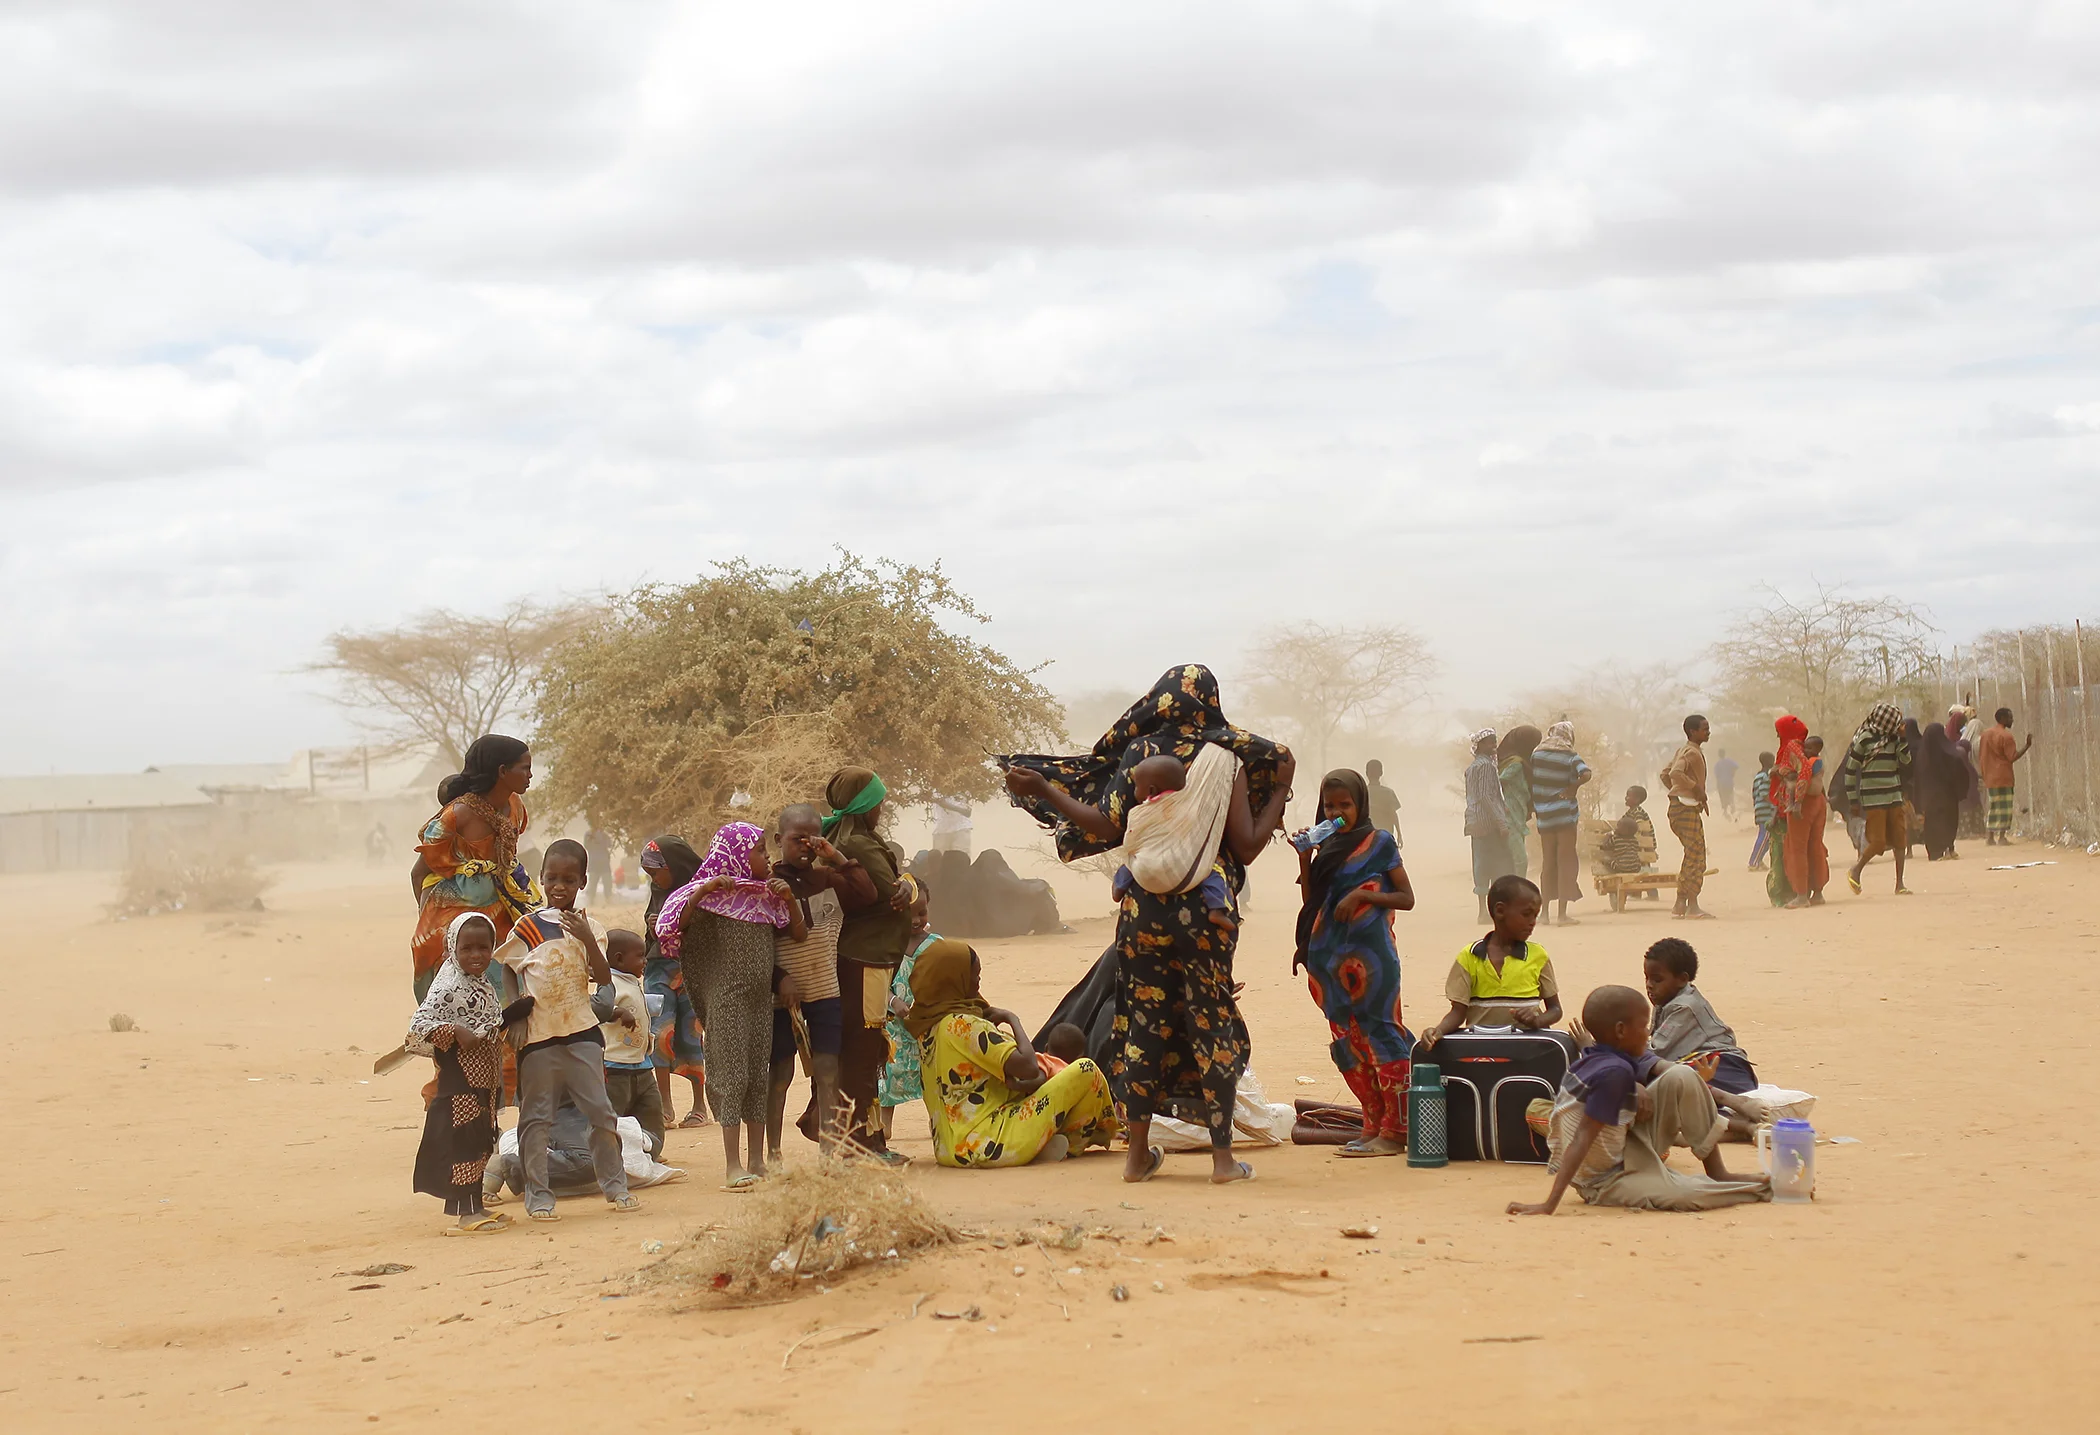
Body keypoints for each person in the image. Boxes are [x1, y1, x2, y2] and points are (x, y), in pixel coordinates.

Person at [1002, 663, 1293, 1186]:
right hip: (1208, 915)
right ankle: (1223, 1161)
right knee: (1212, 1024)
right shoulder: (1226, 761)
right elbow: (1247, 845)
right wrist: (1281, 790)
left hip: (1143, 912)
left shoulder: (1139, 755)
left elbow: (1105, 825)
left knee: (1140, 1026)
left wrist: (1047, 790)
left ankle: (1136, 1156)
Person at [1508, 984, 1770, 1214]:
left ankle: (1718, 1173)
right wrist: (1549, 1204)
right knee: (1685, 1194)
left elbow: (1663, 1072)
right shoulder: (1613, 1073)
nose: (1648, 1034)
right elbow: (1581, 1139)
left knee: (1683, 1075)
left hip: (1628, 1146)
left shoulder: (1606, 1056)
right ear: (1621, 1031)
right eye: (1644, 1026)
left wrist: (1634, 1086)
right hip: (1603, 1180)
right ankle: (1762, 1190)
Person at [493, 840, 639, 1220]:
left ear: (582, 882)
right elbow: (508, 968)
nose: (559, 886)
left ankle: (616, 1187)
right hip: (539, 1040)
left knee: (601, 1114)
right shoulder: (528, 926)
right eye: (552, 878)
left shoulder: (592, 927)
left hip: (582, 1035)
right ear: (541, 879)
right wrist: (517, 1014)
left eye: (569, 880)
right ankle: (539, 1198)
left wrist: (586, 937)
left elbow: (603, 978)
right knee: (535, 1120)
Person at [657, 821, 802, 1189]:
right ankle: (732, 1165)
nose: (766, 858)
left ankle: (756, 1159)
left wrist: (788, 900)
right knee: (730, 1076)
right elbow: (673, 927)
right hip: (727, 1003)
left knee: (757, 1076)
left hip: (759, 1003)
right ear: (736, 855)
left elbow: (794, 929)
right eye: (758, 852)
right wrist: (702, 890)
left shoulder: (763, 898)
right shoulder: (707, 897)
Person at [905, 940, 1117, 1167]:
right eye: (973, 975)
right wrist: (1012, 1019)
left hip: (950, 1150)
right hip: (989, 1143)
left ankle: (1047, 1144)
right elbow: (1028, 1067)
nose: (978, 981)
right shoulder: (963, 1026)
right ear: (953, 979)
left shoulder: (928, 1031)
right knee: (1085, 1069)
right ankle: (1074, 1143)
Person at [1293, 768, 1416, 1158]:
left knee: (1381, 1035)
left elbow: (1406, 897)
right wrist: (1305, 860)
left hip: (1373, 957)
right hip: (1330, 960)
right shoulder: (1326, 846)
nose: (1337, 812)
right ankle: (1372, 1123)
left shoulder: (1378, 842)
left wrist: (1362, 897)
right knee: (1347, 1042)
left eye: (1345, 804)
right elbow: (1312, 903)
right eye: (1330, 805)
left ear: (1360, 803)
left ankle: (1396, 1132)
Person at [820, 768, 915, 1165]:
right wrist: (906, 886)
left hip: (865, 960)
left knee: (862, 1051)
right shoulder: (858, 842)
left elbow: (899, 882)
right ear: (866, 805)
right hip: (866, 963)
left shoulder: (843, 838)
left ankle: (867, 1141)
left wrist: (907, 881)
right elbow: (891, 890)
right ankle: (862, 1145)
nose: (882, 807)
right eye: (879, 801)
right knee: (862, 1052)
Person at [769, 803, 875, 1154]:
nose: (805, 847)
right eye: (797, 839)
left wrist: (837, 856)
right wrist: (778, 978)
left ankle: (829, 1152)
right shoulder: (767, 886)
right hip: (782, 998)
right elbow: (757, 947)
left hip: (826, 990)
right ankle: (772, 1152)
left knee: (828, 1070)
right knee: (780, 1075)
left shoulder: (829, 880)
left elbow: (867, 894)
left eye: (812, 839)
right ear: (778, 840)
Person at [408, 735, 542, 1004]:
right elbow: (418, 872)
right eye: (524, 768)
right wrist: (430, 924)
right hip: (458, 915)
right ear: (502, 771)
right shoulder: (458, 814)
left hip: (506, 905)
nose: (530, 775)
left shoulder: (516, 806)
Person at [407, 913, 509, 1234]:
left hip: (485, 1080)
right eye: (467, 948)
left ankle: (476, 1205)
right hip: (461, 1081)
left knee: (482, 1142)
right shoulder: (449, 986)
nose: (476, 955)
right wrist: (455, 1030)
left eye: (484, 947)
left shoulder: (480, 983)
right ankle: (466, 1213)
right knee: (465, 1143)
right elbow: (419, 1026)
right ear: (453, 948)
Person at [1420, 874, 1561, 1045]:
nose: (1533, 922)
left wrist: (1537, 1021)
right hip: (1481, 1048)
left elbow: (1555, 1009)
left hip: (1527, 1047)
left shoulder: (1538, 955)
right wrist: (1437, 1031)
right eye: (1527, 914)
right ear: (1500, 911)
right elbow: (1458, 1012)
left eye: (1535, 915)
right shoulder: (1469, 956)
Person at [638, 837, 709, 1128]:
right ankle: (664, 1105)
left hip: (691, 967)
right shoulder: (658, 890)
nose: (653, 879)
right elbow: (651, 931)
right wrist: (655, 926)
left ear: (674, 866)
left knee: (691, 1035)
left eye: (656, 872)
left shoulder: (701, 889)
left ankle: (699, 1106)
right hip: (658, 969)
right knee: (660, 1032)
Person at [879, 875, 939, 1133]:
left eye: (922, 913)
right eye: (909, 913)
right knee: (889, 1075)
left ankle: (937, 1122)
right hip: (894, 1026)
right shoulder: (887, 945)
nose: (916, 920)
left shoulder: (936, 946)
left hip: (926, 1024)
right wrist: (893, 1001)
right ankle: (884, 1125)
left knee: (931, 1074)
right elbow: (876, 985)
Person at [597, 929, 665, 1159]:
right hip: (615, 1066)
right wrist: (616, 1012)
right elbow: (594, 1009)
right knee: (612, 1116)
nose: (645, 961)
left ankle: (649, 1153)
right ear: (618, 959)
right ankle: (612, 1159)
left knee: (651, 1112)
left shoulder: (633, 980)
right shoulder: (608, 983)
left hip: (642, 1065)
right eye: (640, 956)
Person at [1842, 702, 1913, 896]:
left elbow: (1906, 761)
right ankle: (1856, 870)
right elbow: (1850, 770)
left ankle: (1900, 883)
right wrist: (1853, 800)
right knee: (1878, 841)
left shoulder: (1894, 739)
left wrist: (1903, 740)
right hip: (1873, 798)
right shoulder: (1864, 739)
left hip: (1894, 795)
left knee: (1900, 839)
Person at [1530, 721, 1592, 926]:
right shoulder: (1570, 756)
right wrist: (1573, 786)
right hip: (1565, 817)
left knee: (1548, 863)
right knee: (1565, 862)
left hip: (1544, 818)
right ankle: (1562, 915)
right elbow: (1586, 773)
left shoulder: (1536, 755)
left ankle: (1545, 914)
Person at [1660, 714, 1712, 920]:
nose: (1708, 732)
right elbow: (1674, 773)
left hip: (1681, 807)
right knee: (1695, 856)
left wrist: (1677, 792)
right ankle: (1688, 904)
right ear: (1693, 731)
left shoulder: (1684, 750)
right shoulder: (1691, 752)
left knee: (1693, 854)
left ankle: (1683, 904)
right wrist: (1693, 789)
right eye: (1705, 729)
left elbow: (1665, 774)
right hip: (1685, 809)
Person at [1463, 729, 1514, 923]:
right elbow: (1485, 796)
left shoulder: (1472, 767)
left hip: (1475, 822)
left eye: (1494, 741)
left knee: (1480, 866)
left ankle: (1483, 912)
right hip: (1488, 824)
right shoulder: (1486, 766)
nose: (1493, 744)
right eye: (1489, 742)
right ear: (1479, 746)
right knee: (1497, 866)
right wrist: (1501, 821)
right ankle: (1491, 911)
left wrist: (1503, 807)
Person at [1917, 717, 1975, 861]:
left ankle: (1936, 851)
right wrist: (1960, 791)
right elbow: (1961, 772)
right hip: (1948, 796)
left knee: (1933, 823)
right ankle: (1949, 847)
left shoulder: (1922, 756)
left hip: (1931, 798)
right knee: (1948, 820)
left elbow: (1917, 779)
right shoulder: (1951, 754)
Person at [1978, 708, 2034, 846]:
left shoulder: (1985, 734)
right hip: (2003, 776)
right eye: (2010, 717)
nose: (2012, 720)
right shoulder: (2006, 736)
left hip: (1990, 776)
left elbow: (1982, 755)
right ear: (2002, 718)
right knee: (2005, 807)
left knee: (1993, 806)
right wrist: (2027, 746)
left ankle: (1990, 837)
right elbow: (2012, 757)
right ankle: (2002, 837)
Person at [1497, 726, 1541, 881]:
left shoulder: (1519, 762)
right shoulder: (1515, 764)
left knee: (1513, 860)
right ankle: (1519, 891)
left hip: (1517, 816)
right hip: (1511, 817)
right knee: (1521, 860)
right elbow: (1497, 783)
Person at [1622, 785, 1660, 901]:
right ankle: (1636, 893)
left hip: (1642, 846)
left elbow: (1640, 829)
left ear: (1637, 800)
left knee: (1644, 870)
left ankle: (1652, 893)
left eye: (1629, 796)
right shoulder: (1631, 812)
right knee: (1639, 869)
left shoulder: (1637, 812)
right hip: (1639, 846)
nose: (1626, 798)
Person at [1364, 758, 1403, 848]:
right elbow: (1393, 814)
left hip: (1367, 837)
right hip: (1385, 836)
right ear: (1381, 773)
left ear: (1366, 773)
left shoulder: (1362, 792)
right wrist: (1399, 834)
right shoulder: (1388, 793)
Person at [1748, 752, 1776, 871]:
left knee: (1766, 836)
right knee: (1765, 835)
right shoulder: (1766, 776)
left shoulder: (1758, 776)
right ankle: (1754, 862)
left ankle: (1758, 860)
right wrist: (1776, 804)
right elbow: (1764, 794)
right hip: (1766, 809)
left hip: (1760, 809)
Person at [583, 825, 614, 905]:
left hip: (600, 862)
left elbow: (609, 844)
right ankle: (592, 900)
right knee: (594, 883)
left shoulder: (602, 835)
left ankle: (606, 899)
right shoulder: (590, 835)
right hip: (598, 862)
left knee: (605, 882)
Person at [1713, 750, 1739, 821]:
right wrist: (1732, 773)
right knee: (1730, 796)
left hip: (1721, 784)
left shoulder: (1717, 764)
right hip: (1729, 782)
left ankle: (1725, 812)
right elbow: (1736, 766)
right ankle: (1732, 809)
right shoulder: (1729, 761)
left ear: (1719, 755)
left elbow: (1716, 775)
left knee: (1723, 798)